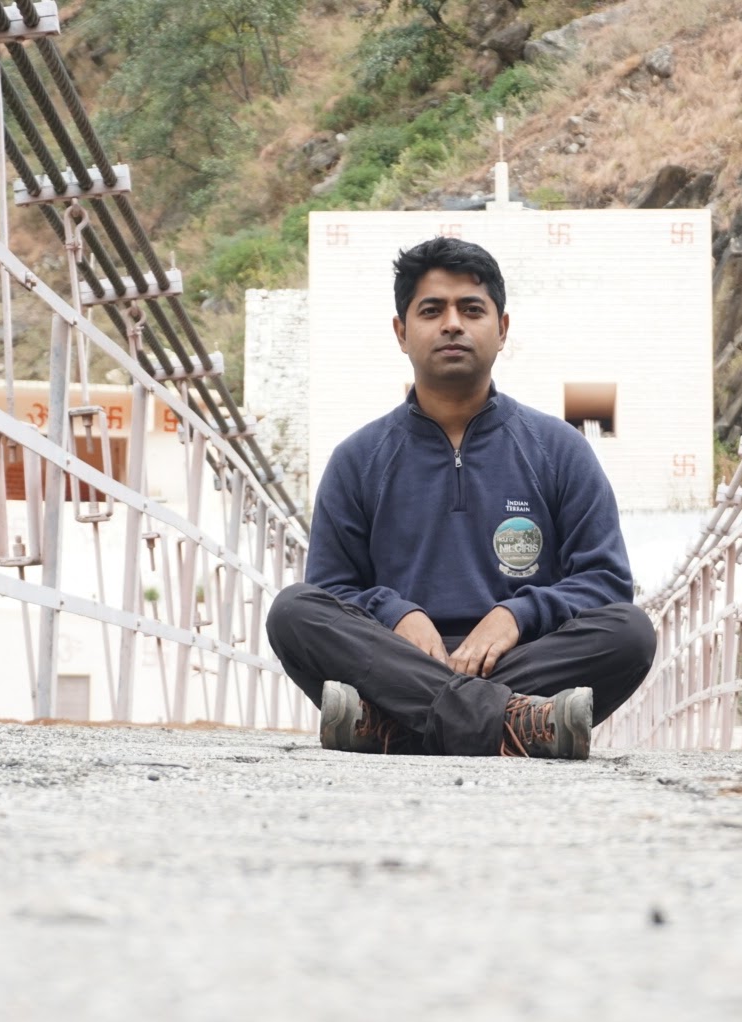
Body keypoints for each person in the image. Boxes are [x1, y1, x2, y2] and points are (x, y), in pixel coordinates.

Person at [265, 237, 655, 759]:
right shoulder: (358, 459)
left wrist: (516, 616)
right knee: (293, 611)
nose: (452, 323)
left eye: (471, 309)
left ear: (502, 330)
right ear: (402, 333)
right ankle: (516, 722)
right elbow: (331, 590)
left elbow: (606, 585)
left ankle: (396, 725)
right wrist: (398, 614)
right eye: (432, 310)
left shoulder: (560, 450)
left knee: (630, 632)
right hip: (393, 657)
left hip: (515, 660)